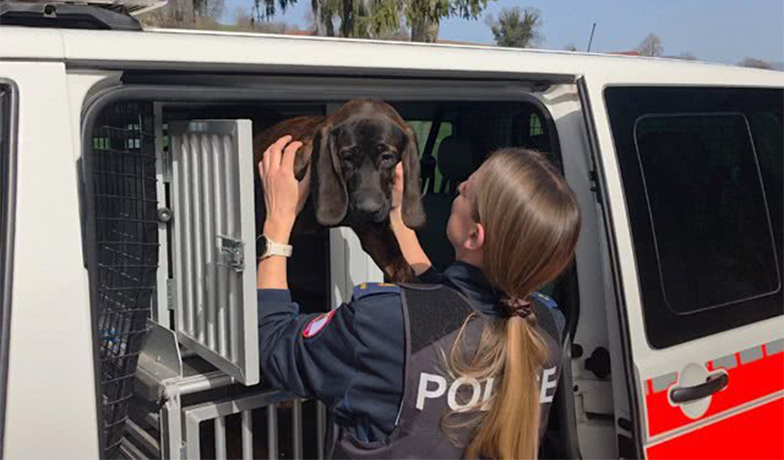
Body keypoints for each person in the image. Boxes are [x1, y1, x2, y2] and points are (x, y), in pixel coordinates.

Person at [256, 135, 581, 459]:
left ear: (474, 236)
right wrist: (399, 221)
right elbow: (452, 309)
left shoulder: (384, 321)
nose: (460, 185)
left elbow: (271, 341)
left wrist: (278, 223)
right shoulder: (545, 322)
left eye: (468, 189)